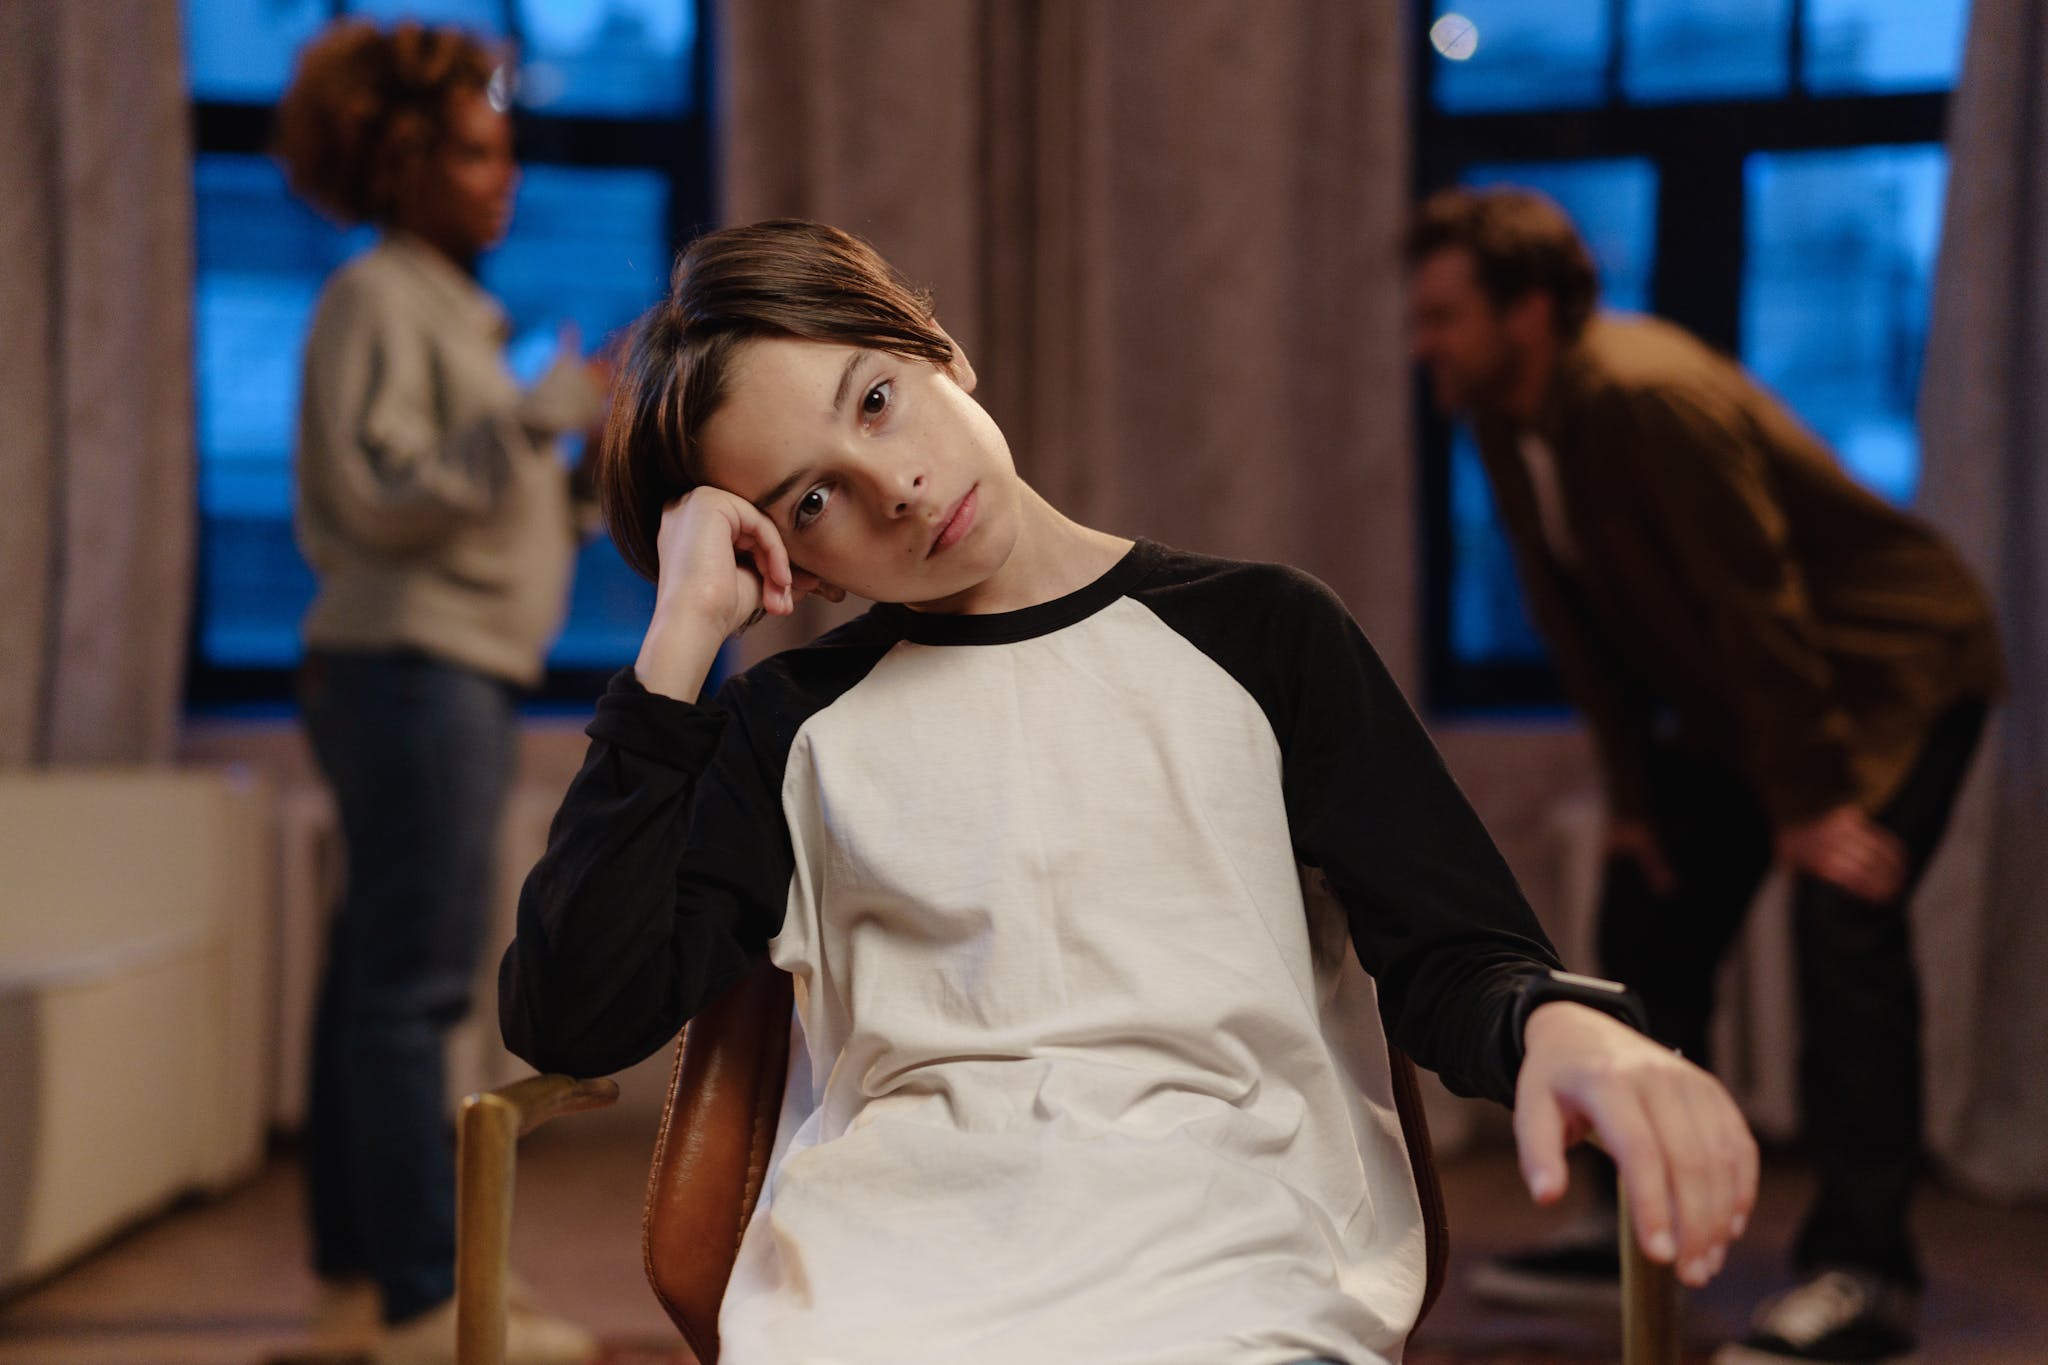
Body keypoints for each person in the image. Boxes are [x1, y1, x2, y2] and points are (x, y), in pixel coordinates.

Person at [499, 218, 1757, 1365]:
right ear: (795, 564)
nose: (896, 489)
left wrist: (1560, 1023)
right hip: (893, 1265)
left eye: (876, 401)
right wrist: (675, 647)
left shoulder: (1266, 633)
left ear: (938, 349)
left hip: (1226, 1242)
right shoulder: (786, 726)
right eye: (811, 501)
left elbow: (1453, 952)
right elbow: (577, 1015)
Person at [1404, 188, 2003, 1365]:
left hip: (1890, 672)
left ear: (1526, 312)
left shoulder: (1640, 391)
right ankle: (1633, 1227)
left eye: (1442, 317)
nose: (1422, 343)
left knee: (1844, 929)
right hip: (1751, 701)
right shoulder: (1503, 414)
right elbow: (1580, 623)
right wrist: (1635, 802)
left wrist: (1809, 805)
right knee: (1648, 912)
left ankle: (1861, 1273)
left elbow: (1754, 601)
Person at [276, 19, 606, 1365]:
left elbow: (486, 508)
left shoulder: (445, 312)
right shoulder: (377, 299)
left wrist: (580, 459)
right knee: (412, 993)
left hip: (435, 664)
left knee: (375, 981)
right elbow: (377, 495)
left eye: (507, 153)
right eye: (476, 153)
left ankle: (365, 1285)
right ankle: (424, 1298)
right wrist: (533, 422)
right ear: (403, 164)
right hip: (411, 666)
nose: (503, 178)